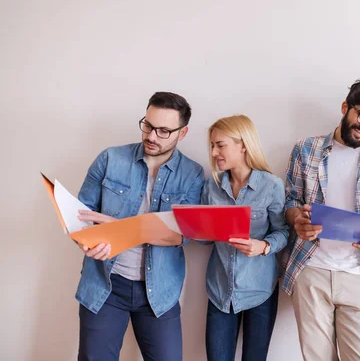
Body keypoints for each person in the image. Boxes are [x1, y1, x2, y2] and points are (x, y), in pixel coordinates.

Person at [76, 92, 205, 361]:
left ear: (183, 133)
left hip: (159, 292)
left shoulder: (192, 174)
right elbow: (80, 215)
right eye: (148, 125)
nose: (152, 136)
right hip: (105, 285)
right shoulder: (110, 159)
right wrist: (85, 241)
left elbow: (180, 236)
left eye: (163, 131)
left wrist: (120, 228)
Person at [281, 79, 360, 361]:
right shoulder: (306, 149)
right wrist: (297, 220)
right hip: (312, 269)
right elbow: (290, 200)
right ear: (346, 107)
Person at [201, 115, 288, 361]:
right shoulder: (211, 187)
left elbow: (284, 232)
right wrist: (195, 228)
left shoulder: (271, 185)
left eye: (220, 144)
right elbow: (204, 239)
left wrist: (263, 246)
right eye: (212, 146)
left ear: (243, 145)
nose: (214, 152)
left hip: (260, 290)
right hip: (220, 292)